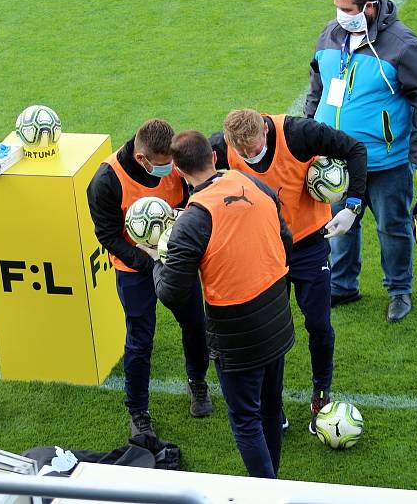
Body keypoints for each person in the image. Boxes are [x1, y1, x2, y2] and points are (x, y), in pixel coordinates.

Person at [210, 109, 366, 434]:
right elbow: (189, 165)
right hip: (264, 250)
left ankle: (321, 394)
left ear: (264, 132)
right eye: (244, 155)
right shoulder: (222, 148)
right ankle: (272, 403)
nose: (251, 158)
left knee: (319, 325)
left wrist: (352, 207)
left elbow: (355, 149)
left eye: (255, 151)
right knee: (269, 334)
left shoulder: (299, 133)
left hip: (309, 246)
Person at [153, 130, 294, 479]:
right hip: (277, 309)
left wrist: (157, 258)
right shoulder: (249, 181)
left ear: (178, 171)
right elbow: (285, 238)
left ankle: (267, 492)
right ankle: (271, 481)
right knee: (271, 405)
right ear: (214, 158)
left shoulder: (191, 221)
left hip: (236, 329)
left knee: (246, 419)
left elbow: (172, 292)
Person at [304, 0, 417, 322]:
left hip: (385, 162)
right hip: (336, 160)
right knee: (340, 224)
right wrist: (309, 128)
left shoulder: (403, 45)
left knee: (391, 227)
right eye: (336, 7)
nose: (340, 15)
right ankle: (342, 285)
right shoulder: (330, 35)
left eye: (346, 8)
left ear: (368, 7)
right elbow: (317, 85)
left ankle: (399, 290)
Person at [86, 119, 211, 438]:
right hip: (135, 270)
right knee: (140, 341)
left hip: (177, 261)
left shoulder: (175, 162)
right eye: (163, 164)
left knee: (196, 324)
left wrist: (185, 219)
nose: (170, 168)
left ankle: (197, 382)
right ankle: (138, 412)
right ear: (142, 159)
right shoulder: (106, 180)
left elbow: (191, 198)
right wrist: (149, 260)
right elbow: (108, 236)